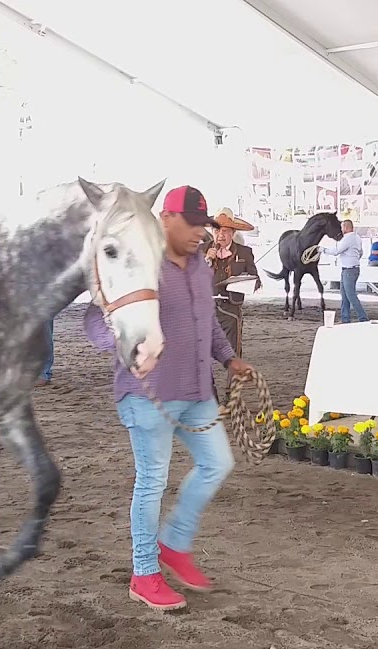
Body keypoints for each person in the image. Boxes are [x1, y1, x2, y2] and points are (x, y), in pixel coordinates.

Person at [84, 185, 252, 612]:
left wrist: (229, 358)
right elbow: (96, 320)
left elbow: (207, 322)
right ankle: (144, 573)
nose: (200, 232)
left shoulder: (199, 266)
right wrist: (122, 342)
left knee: (218, 463)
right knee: (152, 481)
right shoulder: (139, 259)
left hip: (196, 390)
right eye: (192, 224)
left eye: (203, 225)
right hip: (148, 394)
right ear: (166, 219)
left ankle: (173, 544)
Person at [200, 208, 260, 357]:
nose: (220, 235)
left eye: (225, 231)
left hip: (231, 309)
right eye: (216, 231)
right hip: (204, 308)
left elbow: (256, 280)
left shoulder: (245, 252)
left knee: (233, 354)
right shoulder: (200, 250)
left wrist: (242, 283)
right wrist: (205, 260)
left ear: (233, 233)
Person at [323, 219, 368, 323]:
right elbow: (361, 252)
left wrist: (323, 250)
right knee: (345, 295)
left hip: (349, 269)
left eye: (342, 227)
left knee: (350, 295)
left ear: (346, 227)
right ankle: (345, 318)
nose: (341, 229)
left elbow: (337, 251)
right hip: (351, 269)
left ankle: (363, 317)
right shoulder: (357, 237)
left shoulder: (348, 238)